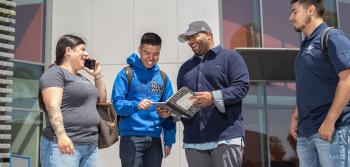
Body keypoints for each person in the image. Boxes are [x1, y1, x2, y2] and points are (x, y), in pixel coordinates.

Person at [175, 20, 249, 167]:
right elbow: (184, 104)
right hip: (194, 142)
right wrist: (171, 112)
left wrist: (213, 97)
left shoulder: (231, 58)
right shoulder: (185, 68)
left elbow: (242, 87)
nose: (190, 42)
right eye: (188, 39)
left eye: (193, 36)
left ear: (208, 35)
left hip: (226, 138)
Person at [289, 0, 350, 166]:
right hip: (306, 134)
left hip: (331, 131)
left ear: (311, 10)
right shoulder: (305, 45)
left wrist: (330, 121)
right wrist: (296, 114)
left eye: (294, 11)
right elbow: (310, 85)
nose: (290, 17)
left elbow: (347, 79)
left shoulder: (333, 37)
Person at [38, 34, 107, 167]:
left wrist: (97, 75)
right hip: (66, 145)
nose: (86, 54)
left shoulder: (82, 78)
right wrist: (61, 135)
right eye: (82, 49)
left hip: (90, 145)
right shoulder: (55, 73)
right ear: (68, 51)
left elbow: (102, 101)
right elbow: (53, 106)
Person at [111, 32, 176, 167]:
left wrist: (168, 140)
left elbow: (170, 109)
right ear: (139, 50)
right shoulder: (126, 74)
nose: (151, 58)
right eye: (147, 53)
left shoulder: (163, 78)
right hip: (130, 138)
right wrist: (136, 105)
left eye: (156, 53)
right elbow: (117, 104)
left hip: (155, 139)